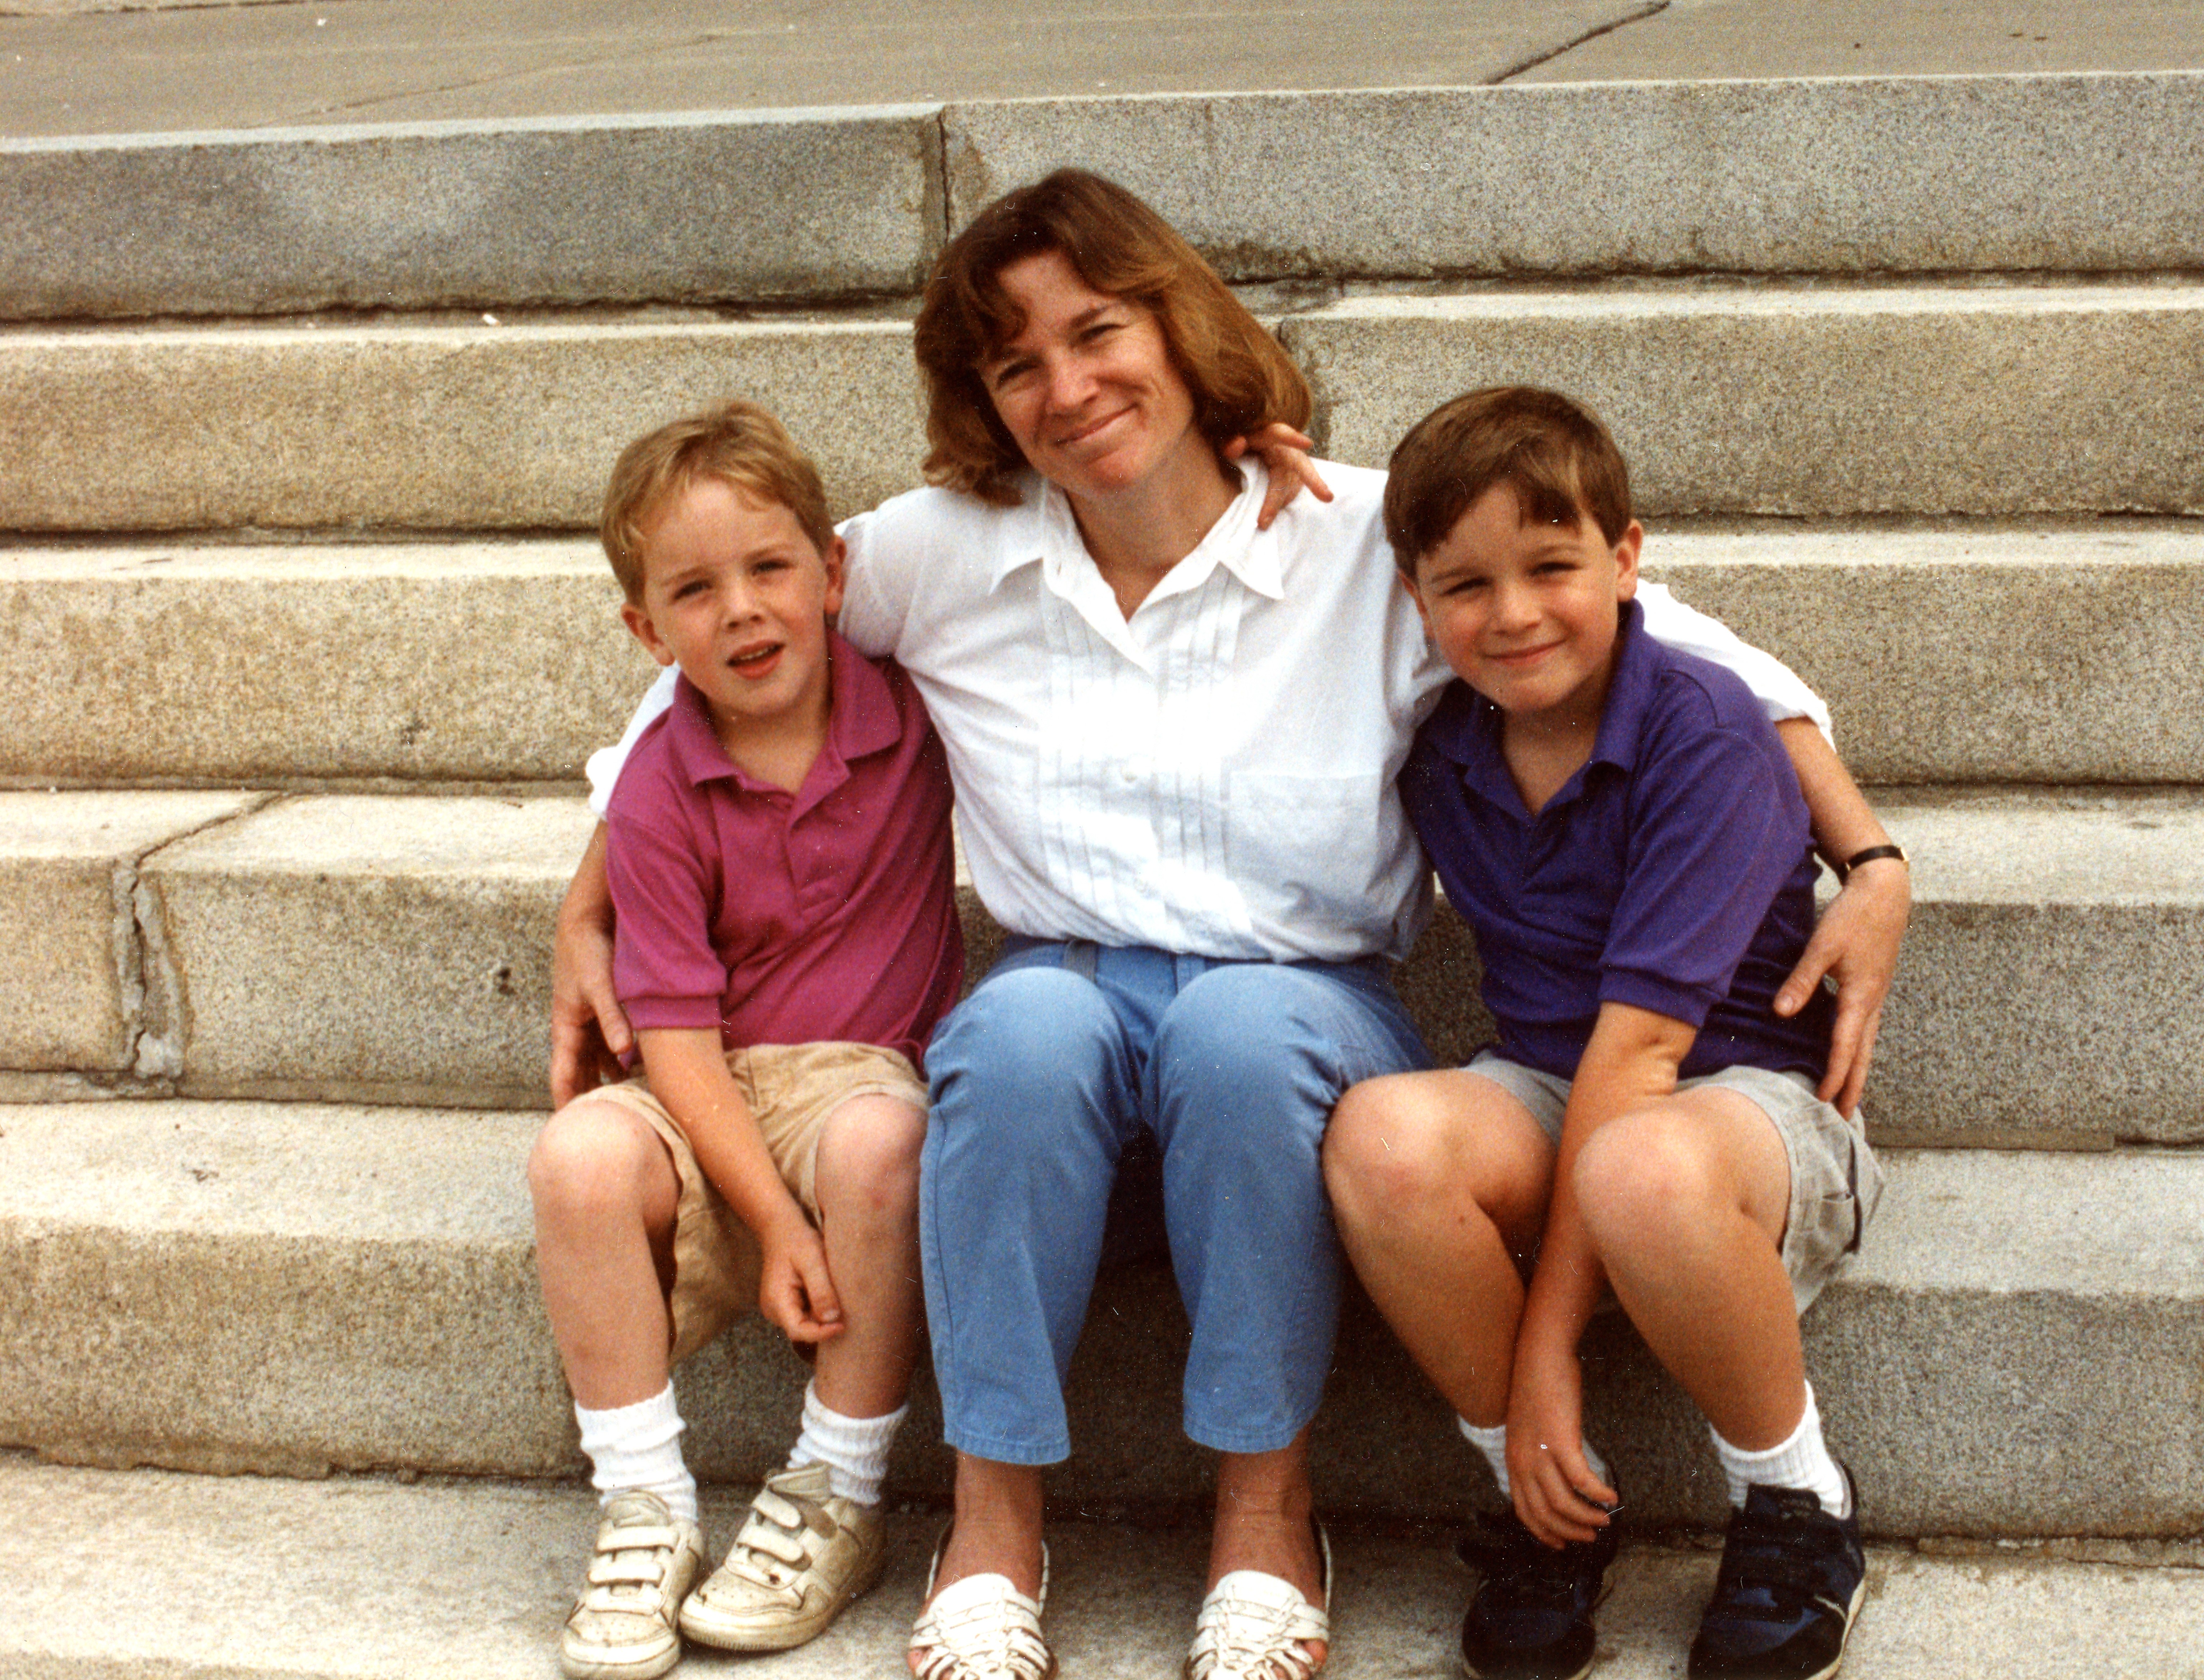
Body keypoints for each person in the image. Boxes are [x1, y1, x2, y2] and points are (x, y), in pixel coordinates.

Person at [551, 171, 1910, 1680]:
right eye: (1016, 364)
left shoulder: (1359, 533)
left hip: (1301, 1013)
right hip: (1069, 1003)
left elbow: (1698, 665)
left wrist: (1869, 857)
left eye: (1098, 331)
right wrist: (592, 900)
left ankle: (1266, 1522)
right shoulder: (940, 550)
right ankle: (991, 1529)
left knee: (1243, 1028)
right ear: (984, 401)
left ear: (1177, 324)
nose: (1069, 388)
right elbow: (730, 652)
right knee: (1014, 1028)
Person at [1324, 387, 1897, 1680]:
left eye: (1552, 567)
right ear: (1415, 599)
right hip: (1549, 1081)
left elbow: (1639, 1065)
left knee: (1638, 1163)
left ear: (1628, 559)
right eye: (1465, 584)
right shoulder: (1446, 748)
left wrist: (1546, 1356)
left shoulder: (1708, 730)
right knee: (1380, 1137)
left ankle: (1796, 1499)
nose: (1513, 613)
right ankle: (1548, 1496)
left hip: (1747, 1109)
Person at [528, 401, 963, 1680]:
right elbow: (671, 1031)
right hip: (698, 1078)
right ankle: (644, 1503)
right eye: (694, 590)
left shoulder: (915, 714)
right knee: (576, 1160)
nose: (742, 610)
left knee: (885, 1142)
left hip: (856, 1075)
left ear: (832, 573)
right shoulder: (657, 784)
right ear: (647, 632)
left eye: (770, 567)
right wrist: (773, 1222)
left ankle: (839, 1485)